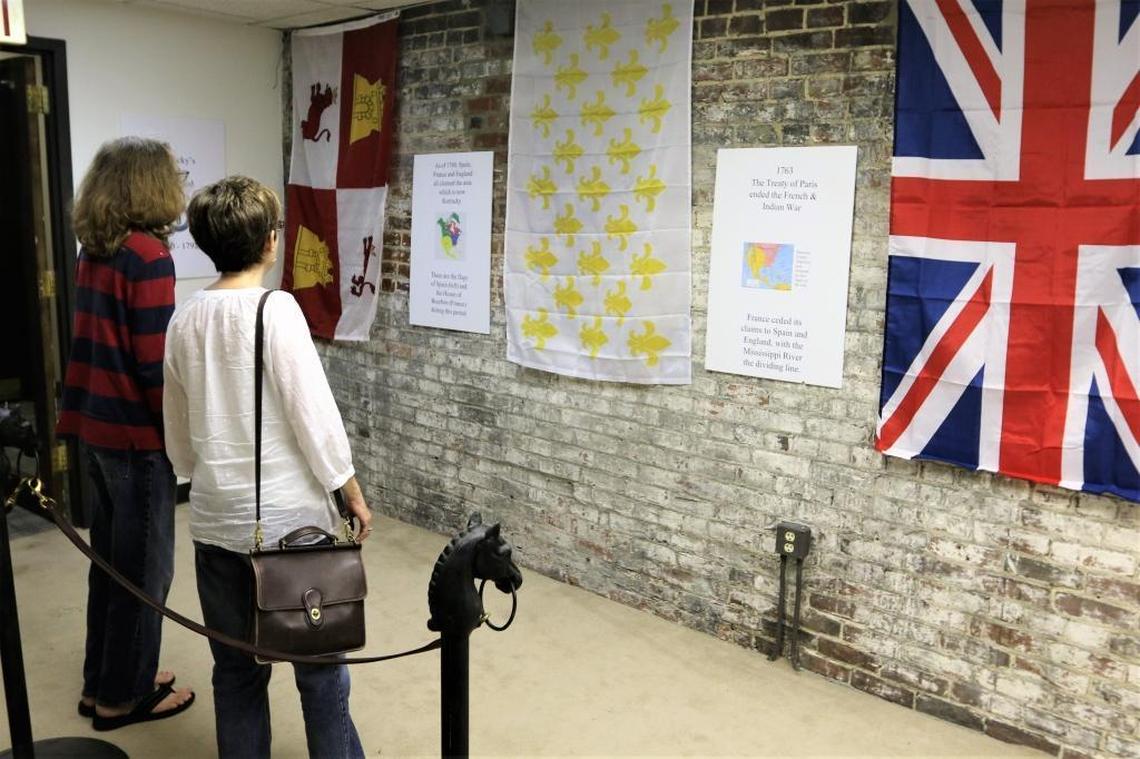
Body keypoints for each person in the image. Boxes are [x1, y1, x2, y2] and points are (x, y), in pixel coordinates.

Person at [164, 175, 372, 759]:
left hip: (214, 522)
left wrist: (204, 475)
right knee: (320, 673)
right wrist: (349, 490)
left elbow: (178, 440)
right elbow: (316, 417)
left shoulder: (184, 319)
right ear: (270, 242)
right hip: (292, 528)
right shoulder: (276, 310)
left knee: (234, 675)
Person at [56, 137, 196, 730]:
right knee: (145, 571)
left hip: (93, 428)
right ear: (152, 185)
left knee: (110, 563)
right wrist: (184, 440)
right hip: (136, 440)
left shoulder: (97, 249)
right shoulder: (148, 256)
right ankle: (123, 698)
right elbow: (152, 363)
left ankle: (105, 681)